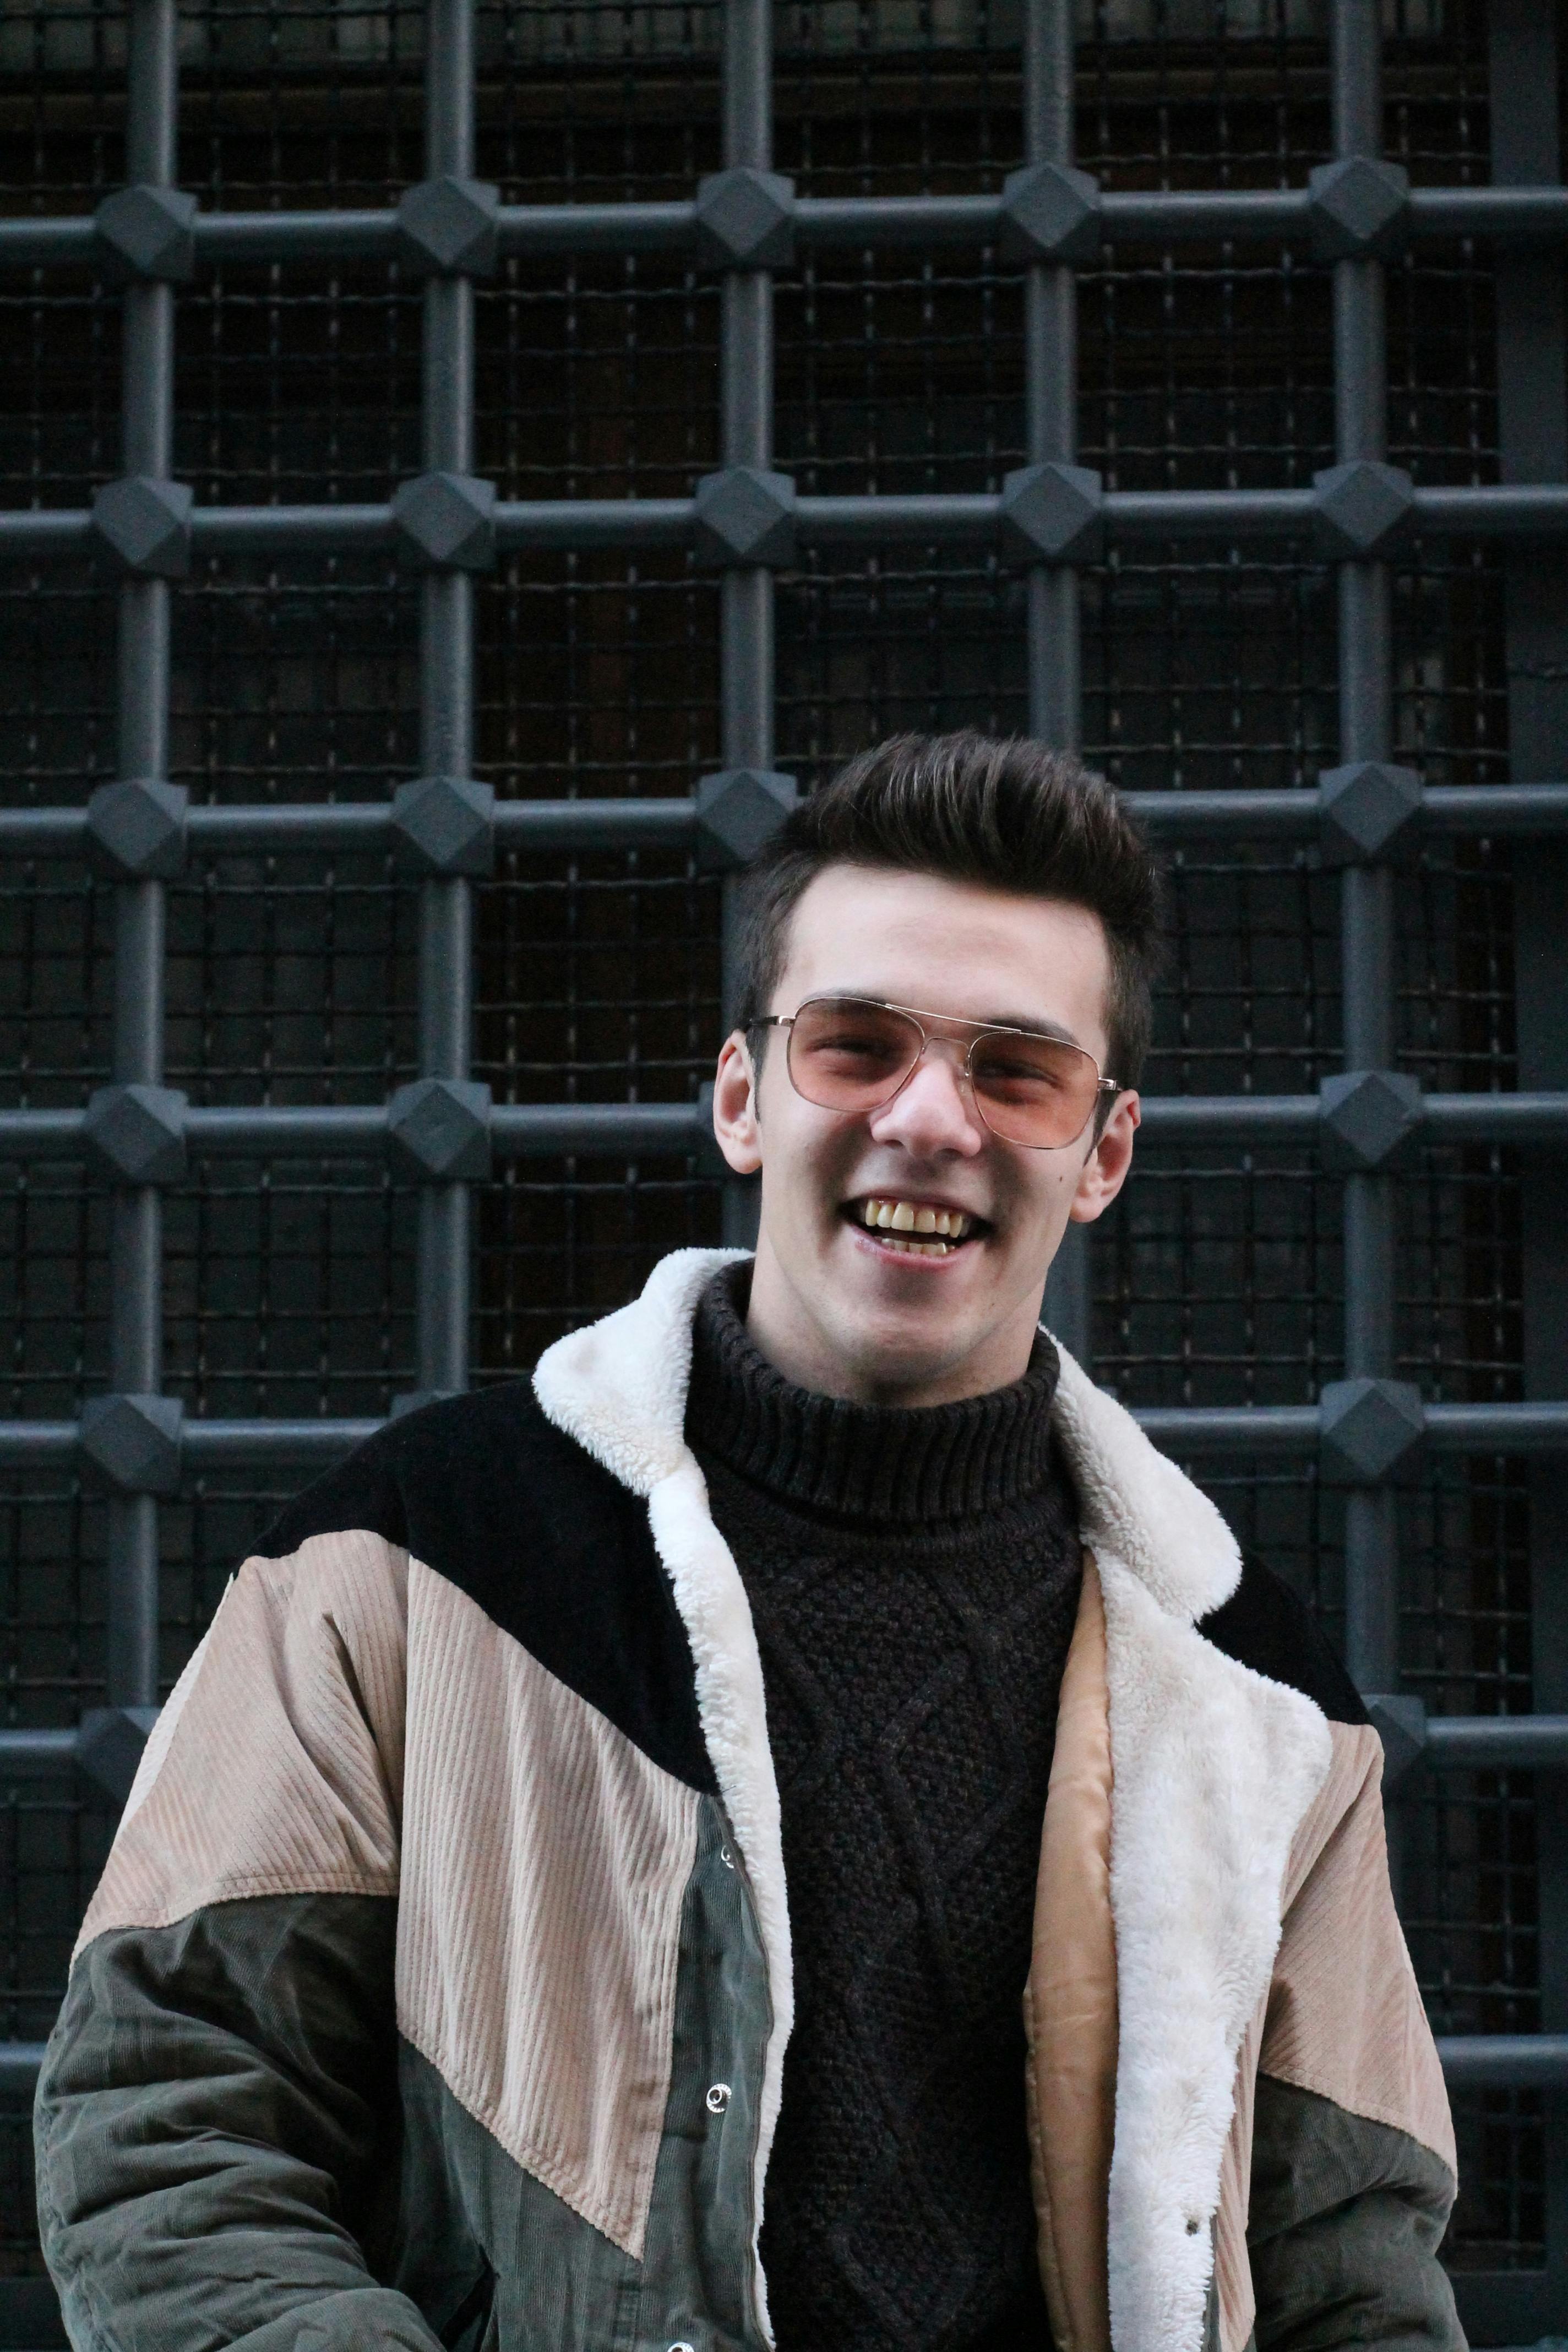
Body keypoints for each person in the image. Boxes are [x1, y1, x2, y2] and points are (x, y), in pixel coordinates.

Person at [35, 732, 1462, 2352]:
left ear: (1105, 1153)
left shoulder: (1256, 1690)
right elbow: (170, 2127)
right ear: (744, 1097)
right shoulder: (413, 1560)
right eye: (857, 1045)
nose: (932, 1118)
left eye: (1018, 1070)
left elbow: (1357, 2271)